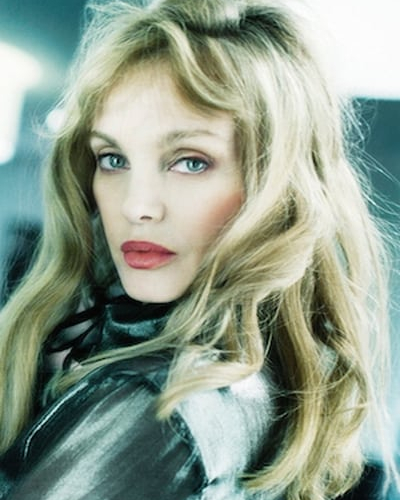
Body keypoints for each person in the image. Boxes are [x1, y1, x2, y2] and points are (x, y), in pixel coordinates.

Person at [0, 0, 395, 498]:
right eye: (113, 158)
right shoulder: (258, 385)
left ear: (277, 186)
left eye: (190, 161)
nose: (137, 207)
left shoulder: (154, 406)